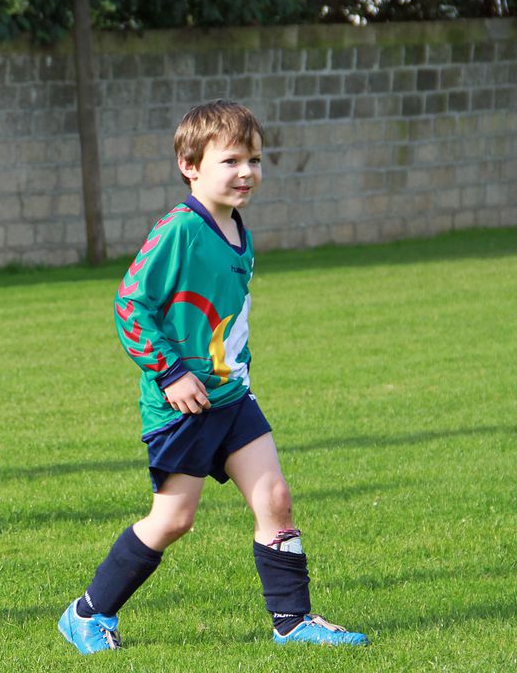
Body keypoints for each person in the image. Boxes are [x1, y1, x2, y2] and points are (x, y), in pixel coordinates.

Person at [58, 100, 369, 653]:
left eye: (253, 159)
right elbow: (130, 302)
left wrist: (241, 372)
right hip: (182, 404)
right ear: (190, 164)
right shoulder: (180, 229)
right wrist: (172, 372)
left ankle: (292, 621)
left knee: (275, 497)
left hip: (231, 398)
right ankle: (87, 613)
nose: (246, 172)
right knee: (174, 519)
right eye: (231, 161)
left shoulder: (237, 230)